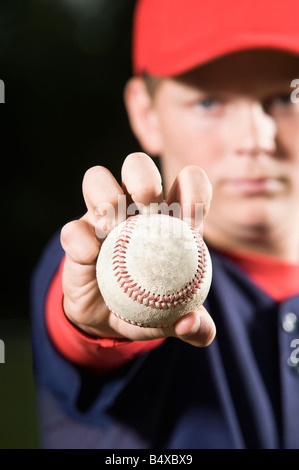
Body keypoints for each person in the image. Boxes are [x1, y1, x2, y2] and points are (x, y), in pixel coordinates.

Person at [31, 0, 299, 449]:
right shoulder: (102, 260)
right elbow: (76, 323)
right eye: (209, 101)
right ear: (146, 114)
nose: (256, 139)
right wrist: (93, 329)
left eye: (289, 95)